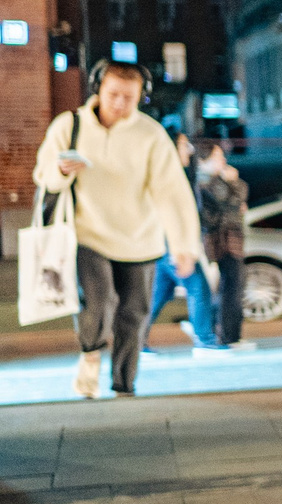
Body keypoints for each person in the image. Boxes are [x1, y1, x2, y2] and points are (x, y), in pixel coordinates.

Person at [30, 61, 200, 399]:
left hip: (141, 239)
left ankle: (124, 383)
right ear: (97, 89)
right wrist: (62, 170)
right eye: (113, 94)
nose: (120, 103)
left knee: (135, 314)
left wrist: (184, 244)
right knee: (100, 301)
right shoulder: (70, 125)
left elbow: (172, 192)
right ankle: (90, 355)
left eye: (129, 97)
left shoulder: (150, 134)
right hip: (88, 233)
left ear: (141, 97)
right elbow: (43, 175)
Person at [142, 133, 214, 355]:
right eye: (184, 146)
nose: (189, 151)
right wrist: (180, 250)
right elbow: (169, 214)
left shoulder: (179, 174)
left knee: (158, 294)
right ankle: (204, 339)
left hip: (167, 245)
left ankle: (134, 341)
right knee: (198, 287)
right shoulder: (169, 176)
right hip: (172, 245)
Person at [194, 140, 252, 351]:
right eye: (217, 157)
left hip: (227, 238)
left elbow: (236, 204)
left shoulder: (213, 181)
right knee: (232, 285)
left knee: (231, 285)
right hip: (223, 240)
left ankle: (224, 333)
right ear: (204, 161)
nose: (223, 161)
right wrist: (234, 183)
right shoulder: (206, 182)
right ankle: (227, 336)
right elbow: (234, 202)